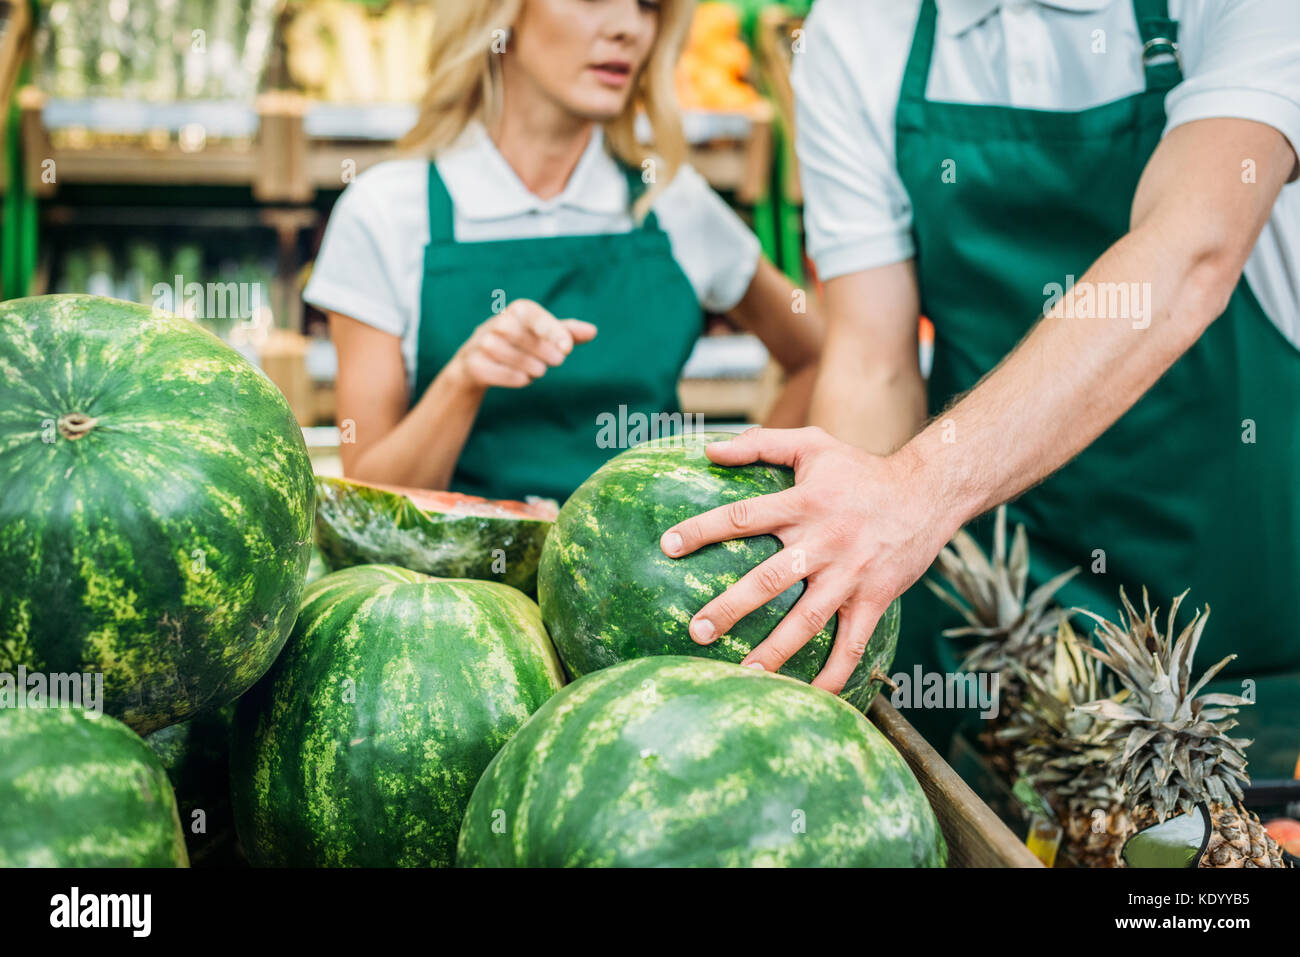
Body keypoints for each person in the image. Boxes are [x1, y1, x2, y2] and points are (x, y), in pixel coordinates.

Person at [659, 0, 1300, 774]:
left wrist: (914, 491)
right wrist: (817, 613)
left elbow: (1191, 251)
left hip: (1243, 623)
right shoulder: (860, 29)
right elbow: (873, 362)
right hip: (999, 628)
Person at [302, 0, 822, 504]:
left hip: (639, 585)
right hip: (461, 591)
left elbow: (818, 355)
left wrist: (743, 505)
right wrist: (463, 380)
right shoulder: (386, 212)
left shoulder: (672, 203)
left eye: (647, 4)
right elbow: (371, 499)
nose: (629, 27)